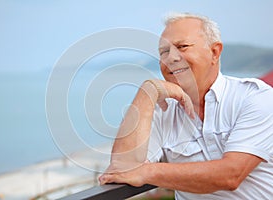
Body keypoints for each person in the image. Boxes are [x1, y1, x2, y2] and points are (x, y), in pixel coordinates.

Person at [99, 13, 273, 199]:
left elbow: (230, 175)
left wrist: (147, 172)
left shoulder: (256, 97)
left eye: (182, 47)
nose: (171, 58)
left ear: (214, 52)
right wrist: (146, 93)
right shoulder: (160, 111)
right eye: (163, 52)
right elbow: (122, 167)